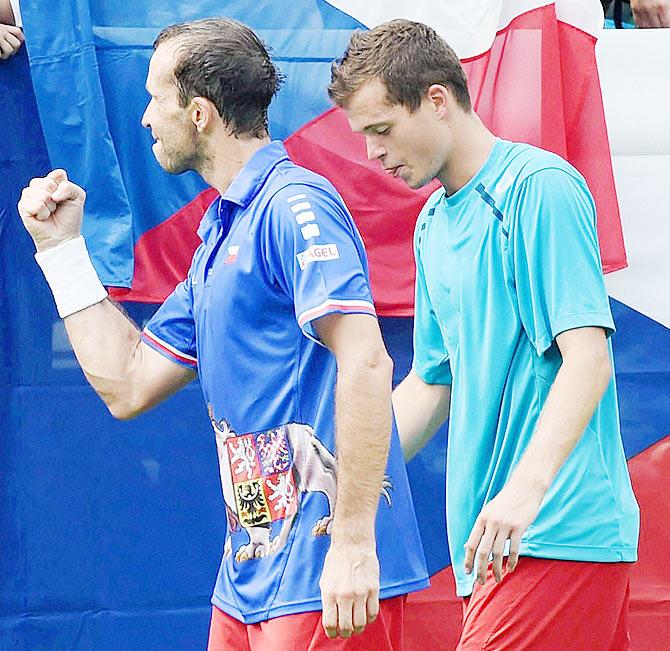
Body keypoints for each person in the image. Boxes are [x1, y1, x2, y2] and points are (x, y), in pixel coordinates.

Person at [17, 17, 428, 650]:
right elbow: (127, 386)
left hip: (321, 578)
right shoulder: (221, 234)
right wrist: (63, 253)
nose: (146, 118)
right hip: (245, 580)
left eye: (156, 98)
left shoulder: (297, 204)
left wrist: (352, 543)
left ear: (201, 113)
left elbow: (367, 363)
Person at [329, 19, 640, 650]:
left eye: (382, 130)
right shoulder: (432, 224)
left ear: (438, 101)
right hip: (496, 545)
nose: (372, 154)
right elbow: (431, 383)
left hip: (553, 527)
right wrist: (344, 478)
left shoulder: (538, 188)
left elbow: (588, 359)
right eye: (363, 137)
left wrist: (524, 493)